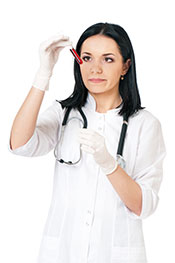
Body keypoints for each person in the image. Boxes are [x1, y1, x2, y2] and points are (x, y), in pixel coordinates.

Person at [9, 22, 166, 263]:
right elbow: (19, 144)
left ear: (126, 66)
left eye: (108, 59)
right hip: (63, 252)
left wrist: (109, 165)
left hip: (116, 255)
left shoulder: (144, 125)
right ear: (77, 61)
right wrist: (43, 75)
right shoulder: (64, 115)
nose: (95, 69)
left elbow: (144, 205)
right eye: (87, 58)